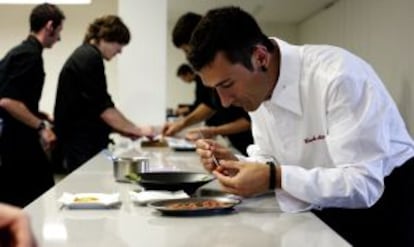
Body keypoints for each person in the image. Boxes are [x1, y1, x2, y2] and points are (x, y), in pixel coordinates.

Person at [189, 6, 414, 247]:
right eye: (216, 89)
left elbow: (362, 184)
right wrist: (238, 164)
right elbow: (270, 157)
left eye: (227, 84)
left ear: (260, 57)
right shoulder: (257, 89)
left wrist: (274, 177)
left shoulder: (339, 77)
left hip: (386, 205)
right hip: (317, 205)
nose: (224, 101)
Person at [53, 15, 153, 173]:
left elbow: (92, 107)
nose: (120, 50)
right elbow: (104, 109)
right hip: (80, 147)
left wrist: (125, 130)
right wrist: (138, 130)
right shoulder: (89, 58)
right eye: (119, 43)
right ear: (105, 37)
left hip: (81, 143)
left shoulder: (86, 56)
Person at [0, 3, 65, 207]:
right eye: (59, 31)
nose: (59, 38)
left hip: (11, 141)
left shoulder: (18, 52)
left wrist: (41, 115)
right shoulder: (29, 56)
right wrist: (41, 126)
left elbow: (17, 99)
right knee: (36, 197)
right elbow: (8, 101)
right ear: (49, 26)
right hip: (17, 143)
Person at [163, 12, 253, 155]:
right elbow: (210, 104)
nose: (188, 57)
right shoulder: (208, 76)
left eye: (187, 50)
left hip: (251, 143)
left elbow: (248, 120)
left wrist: (212, 130)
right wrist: (181, 124)